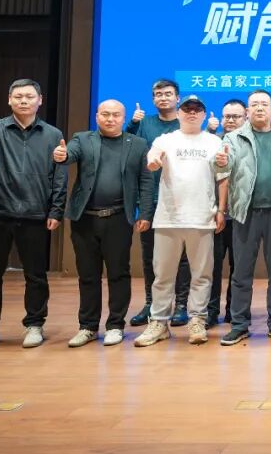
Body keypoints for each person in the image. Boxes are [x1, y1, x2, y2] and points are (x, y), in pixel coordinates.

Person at [0, 78, 68, 351]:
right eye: (18, 96)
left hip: (34, 213)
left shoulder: (52, 134)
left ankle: (34, 324)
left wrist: (56, 209)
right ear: (9, 100)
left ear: (40, 100)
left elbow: (59, 175)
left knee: (36, 275)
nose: (24, 101)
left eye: (29, 96)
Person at [54, 100, 153, 348]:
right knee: (88, 275)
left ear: (124, 118)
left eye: (116, 115)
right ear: (97, 116)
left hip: (118, 218)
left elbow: (146, 181)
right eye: (105, 114)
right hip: (85, 218)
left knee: (118, 273)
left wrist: (145, 213)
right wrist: (62, 155)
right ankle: (87, 327)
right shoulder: (82, 139)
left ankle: (115, 326)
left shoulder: (138, 144)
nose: (110, 119)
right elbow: (68, 155)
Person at [134, 95, 224, 347]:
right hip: (168, 218)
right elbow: (153, 160)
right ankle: (159, 322)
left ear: (204, 115)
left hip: (202, 217)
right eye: (187, 109)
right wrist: (154, 161)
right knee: (162, 276)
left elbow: (222, 174)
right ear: (179, 113)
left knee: (202, 275)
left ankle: (197, 320)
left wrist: (221, 210)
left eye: (197, 109)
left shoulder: (214, 141)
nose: (192, 113)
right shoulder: (165, 140)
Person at [216, 90, 271, 346]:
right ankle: (239, 325)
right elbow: (223, 167)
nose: (259, 108)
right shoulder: (233, 137)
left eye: (264, 104)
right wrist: (220, 161)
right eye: (254, 104)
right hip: (245, 214)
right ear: (247, 111)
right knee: (241, 273)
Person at [126, 79, 191, 328]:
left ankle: (181, 305)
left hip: (180, 199)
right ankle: (151, 304)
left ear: (178, 98)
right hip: (150, 199)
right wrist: (133, 123)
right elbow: (127, 147)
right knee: (150, 256)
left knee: (182, 256)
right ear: (153, 99)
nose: (163, 98)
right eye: (158, 94)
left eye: (168, 94)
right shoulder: (144, 123)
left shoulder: (186, 123)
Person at [206, 98, 245, 325]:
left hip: (241, 215)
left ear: (245, 118)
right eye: (227, 116)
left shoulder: (249, 143)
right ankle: (211, 311)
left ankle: (234, 310)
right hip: (214, 215)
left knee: (238, 267)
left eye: (236, 116)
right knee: (212, 266)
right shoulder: (212, 142)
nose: (230, 120)